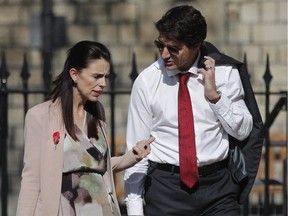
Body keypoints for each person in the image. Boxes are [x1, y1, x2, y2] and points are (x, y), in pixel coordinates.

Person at [124, 5, 262, 216]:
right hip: (165, 191)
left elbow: (243, 131)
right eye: (160, 45)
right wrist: (134, 210)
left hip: (218, 191)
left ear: (196, 45)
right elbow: (136, 153)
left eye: (174, 48)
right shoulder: (147, 82)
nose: (164, 54)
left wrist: (215, 97)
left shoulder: (224, 73)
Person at [16, 40, 155, 216]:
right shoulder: (40, 116)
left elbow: (95, 165)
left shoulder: (96, 113)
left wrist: (133, 156)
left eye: (105, 76)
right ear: (74, 74)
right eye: (96, 76)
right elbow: (31, 179)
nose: (103, 83)